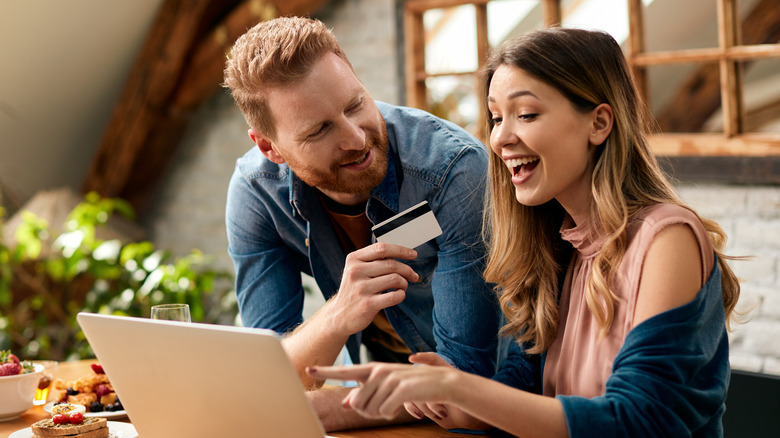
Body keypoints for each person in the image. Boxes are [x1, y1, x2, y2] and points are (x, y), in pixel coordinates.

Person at [308, 27, 742, 437]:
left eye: (527, 114)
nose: (500, 139)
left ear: (599, 123)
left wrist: (463, 390)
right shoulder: (558, 247)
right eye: (496, 118)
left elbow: (640, 420)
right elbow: (522, 388)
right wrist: (445, 398)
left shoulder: (666, 239)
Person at [222, 17, 503, 431]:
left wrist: (322, 409)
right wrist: (339, 314)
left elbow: (465, 381)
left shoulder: (452, 171)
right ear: (270, 147)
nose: (356, 138)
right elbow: (270, 372)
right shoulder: (257, 193)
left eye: (355, 104)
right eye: (320, 129)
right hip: (388, 409)